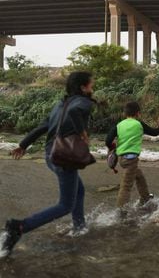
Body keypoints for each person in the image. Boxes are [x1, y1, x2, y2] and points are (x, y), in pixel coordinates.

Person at [2, 71, 95, 256]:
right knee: (65, 205)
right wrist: (82, 132)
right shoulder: (83, 102)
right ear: (83, 87)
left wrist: (23, 145)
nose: (93, 88)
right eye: (91, 85)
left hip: (51, 155)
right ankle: (19, 227)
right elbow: (77, 112)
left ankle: (79, 226)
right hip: (64, 157)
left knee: (79, 190)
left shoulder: (59, 104)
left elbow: (43, 127)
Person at [105, 101, 159, 211]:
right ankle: (120, 210)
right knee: (126, 186)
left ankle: (145, 197)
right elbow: (154, 132)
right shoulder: (139, 124)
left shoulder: (119, 125)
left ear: (125, 113)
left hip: (122, 158)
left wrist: (112, 146)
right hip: (131, 159)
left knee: (139, 176)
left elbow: (108, 140)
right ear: (138, 113)